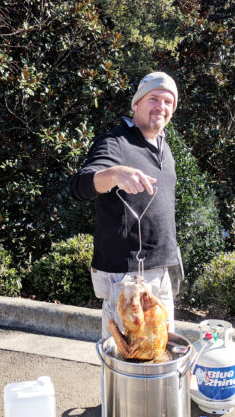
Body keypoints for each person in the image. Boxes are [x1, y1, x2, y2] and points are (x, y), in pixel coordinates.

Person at [71, 71, 183, 339]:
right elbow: (79, 186)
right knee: (124, 363)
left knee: (159, 358)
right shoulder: (116, 142)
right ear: (136, 104)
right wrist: (115, 174)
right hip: (125, 277)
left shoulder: (164, 148)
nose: (162, 107)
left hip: (161, 272)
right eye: (154, 99)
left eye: (168, 102)